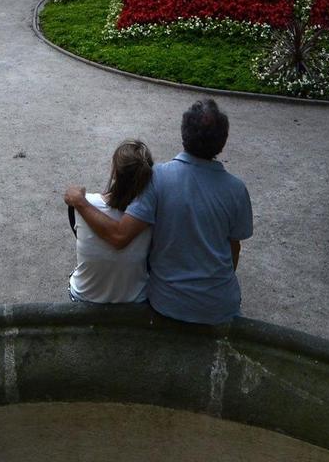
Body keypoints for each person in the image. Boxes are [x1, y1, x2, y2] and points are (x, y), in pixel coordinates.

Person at [65, 98, 252, 325]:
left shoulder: (158, 178)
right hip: (219, 305)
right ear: (222, 142)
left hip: (168, 303)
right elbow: (234, 251)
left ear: (184, 133)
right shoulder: (237, 189)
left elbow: (119, 236)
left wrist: (80, 202)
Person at [69, 139, 154, 304]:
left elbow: (116, 237)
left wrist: (79, 201)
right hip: (135, 301)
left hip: (84, 298)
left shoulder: (85, 202)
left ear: (115, 171)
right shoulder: (152, 212)